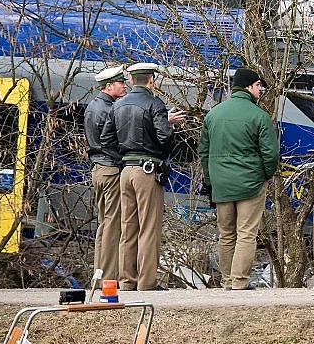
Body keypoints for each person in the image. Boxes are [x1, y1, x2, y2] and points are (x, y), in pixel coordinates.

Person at [101, 62, 186, 291]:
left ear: (131, 81)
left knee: (128, 228)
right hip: (147, 171)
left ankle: (127, 281)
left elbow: (106, 141)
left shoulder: (117, 106)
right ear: (151, 81)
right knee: (149, 227)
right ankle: (147, 282)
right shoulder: (155, 104)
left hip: (125, 171)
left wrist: (124, 157)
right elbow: (166, 138)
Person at [199, 67, 278, 291]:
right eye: (258, 86)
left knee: (226, 235)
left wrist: (210, 179)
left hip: (221, 185)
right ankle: (240, 281)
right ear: (249, 87)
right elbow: (270, 154)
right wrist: (264, 176)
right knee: (246, 234)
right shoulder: (259, 116)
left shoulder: (213, 114)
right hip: (251, 184)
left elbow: (203, 152)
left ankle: (226, 281)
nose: (260, 90)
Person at [84, 65, 127, 281]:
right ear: (109, 86)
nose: (125, 86)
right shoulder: (110, 110)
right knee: (112, 224)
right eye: (121, 83)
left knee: (104, 223)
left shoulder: (92, 106)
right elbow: (111, 143)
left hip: (98, 169)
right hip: (111, 169)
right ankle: (108, 277)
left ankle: (98, 273)